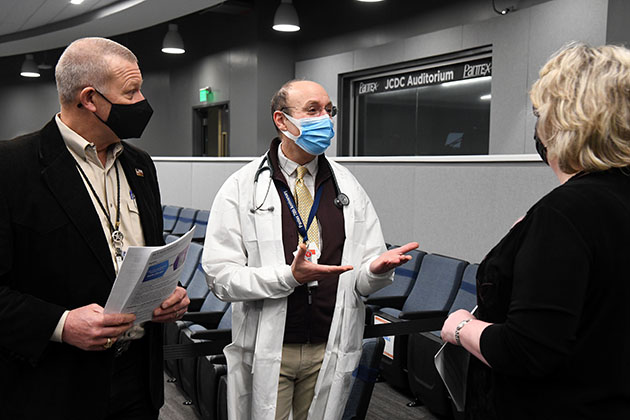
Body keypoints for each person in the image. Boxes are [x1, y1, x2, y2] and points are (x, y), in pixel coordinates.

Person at [202, 79, 418, 420]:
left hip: (329, 344)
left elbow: (359, 277)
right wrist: (288, 277)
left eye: (329, 111)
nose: (326, 120)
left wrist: (375, 271)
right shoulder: (241, 187)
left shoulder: (348, 186)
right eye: (313, 110)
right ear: (281, 120)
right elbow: (220, 277)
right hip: (270, 347)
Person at [0, 37, 190, 420]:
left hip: (138, 380)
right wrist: (61, 323)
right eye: (131, 92)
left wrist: (169, 293)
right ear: (89, 99)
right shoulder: (12, 167)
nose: (143, 102)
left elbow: (148, 251)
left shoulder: (139, 165)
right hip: (54, 387)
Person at [440, 43, 630, 419]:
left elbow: (526, 350)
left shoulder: (566, 213)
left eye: (540, 112)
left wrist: (460, 327)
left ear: (562, 119)